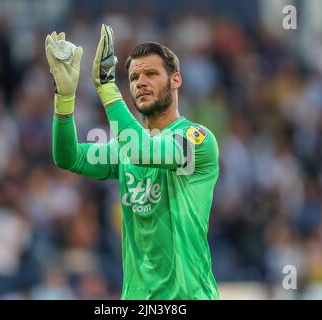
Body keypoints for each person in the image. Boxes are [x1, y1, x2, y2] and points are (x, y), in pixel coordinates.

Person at [45, 24, 220, 300]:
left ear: (176, 80)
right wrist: (64, 98)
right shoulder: (125, 148)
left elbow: (142, 150)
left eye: (151, 74)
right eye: (134, 77)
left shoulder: (196, 139)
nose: (140, 82)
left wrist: (106, 87)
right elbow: (68, 157)